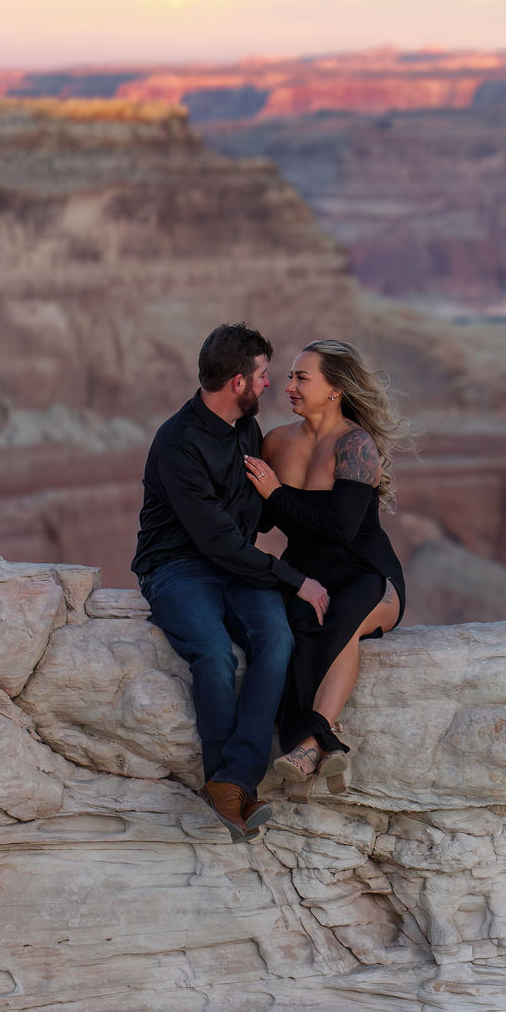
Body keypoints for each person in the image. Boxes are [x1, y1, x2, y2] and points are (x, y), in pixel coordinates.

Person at [132, 322, 331, 840]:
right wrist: (296, 580)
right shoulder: (179, 445)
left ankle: (233, 781)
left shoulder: (246, 428)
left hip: (234, 566)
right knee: (216, 655)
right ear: (239, 382)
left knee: (277, 638)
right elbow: (218, 540)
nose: (271, 385)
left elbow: (256, 519)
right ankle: (230, 788)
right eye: (264, 375)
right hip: (176, 568)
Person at [243, 339, 411, 794]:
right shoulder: (275, 442)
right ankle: (325, 749)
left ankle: (310, 743)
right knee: (286, 629)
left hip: (367, 572)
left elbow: (340, 527)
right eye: (290, 376)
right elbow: (259, 521)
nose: (289, 385)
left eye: (302, 377)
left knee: (338, 620)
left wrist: (276, 493)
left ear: (335, 389)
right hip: (305, 573)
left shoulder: (355, 443)